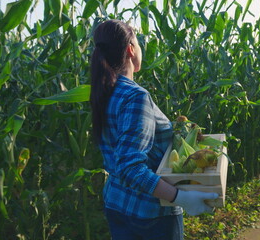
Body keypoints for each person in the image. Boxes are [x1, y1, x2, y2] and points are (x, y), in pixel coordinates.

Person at [89, 19, 219, 240]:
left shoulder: (104, 92)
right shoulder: (135, 96)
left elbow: (124, 153)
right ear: (131, 49)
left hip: (117, 203)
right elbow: (130, 167)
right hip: (150, 214)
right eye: (139, 44)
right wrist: (181, 197)